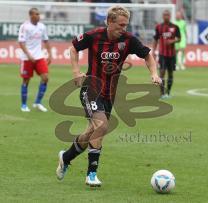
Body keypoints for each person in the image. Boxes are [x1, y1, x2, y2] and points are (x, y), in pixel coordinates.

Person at [56, 5, 161, 187]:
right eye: (120, 25)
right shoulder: (94, 36)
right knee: (102, 126)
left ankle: (66, 157)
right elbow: (73, 48)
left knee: (92, 131)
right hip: (91, 89)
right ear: (110, 22)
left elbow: (147, 56)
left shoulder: (128, 40)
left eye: (126, 25)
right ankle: (91, 175)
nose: (124, 28)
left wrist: (154, 73)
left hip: (110, 94)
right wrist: (75, 71)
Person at [18, 8, 52, 112]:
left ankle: (37, 102)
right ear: (31, 15)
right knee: (26, 81)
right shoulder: (25, 27)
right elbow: (21, 42)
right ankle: (23, 105)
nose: (38, 16)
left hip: (39, 57)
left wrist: (50, 55)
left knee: (45, 78)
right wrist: (28, 55)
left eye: (39, 14)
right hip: (27, 58)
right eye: (36, 14)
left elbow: (46, 41)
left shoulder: (42, 27)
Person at [152, 10, 180, 99]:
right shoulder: (159, 27)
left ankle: (168, 92)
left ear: (170, 16)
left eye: (167, 15)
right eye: (164, 15)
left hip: (172, 55)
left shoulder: (175, 27)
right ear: (162, 16)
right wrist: (153, 51)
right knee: (162, 72)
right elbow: (155, 39)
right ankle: (162, 93)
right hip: (162, 54)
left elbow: (179, 38)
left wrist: (172, 40)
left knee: (171, 73)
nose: (166, 16)